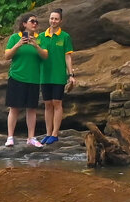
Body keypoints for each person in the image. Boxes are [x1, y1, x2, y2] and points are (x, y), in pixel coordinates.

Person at [3, 12, 48, 147]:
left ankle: (31, 137)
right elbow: (7, 56)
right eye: (32, 21)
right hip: (17, 77)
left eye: (36, 22)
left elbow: (45, 56)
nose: (35, 24)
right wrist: (18, 45)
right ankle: (10, 137)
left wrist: (36, 45)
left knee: (31, 108)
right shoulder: (14, 37)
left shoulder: (40, 38)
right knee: (14, 108)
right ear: (24, 24)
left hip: (33, 78)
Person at [39, 9, 75, 144]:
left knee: (57, 103)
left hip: (58, 74)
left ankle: (55, 133)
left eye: (56, 19)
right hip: (44, 75)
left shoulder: (65, 36)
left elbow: (68, 57)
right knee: (47, 104)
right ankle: (48, 133)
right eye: (51, 18)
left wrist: (71, 74)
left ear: (60, 21)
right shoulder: (41, 36)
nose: (53, 21)